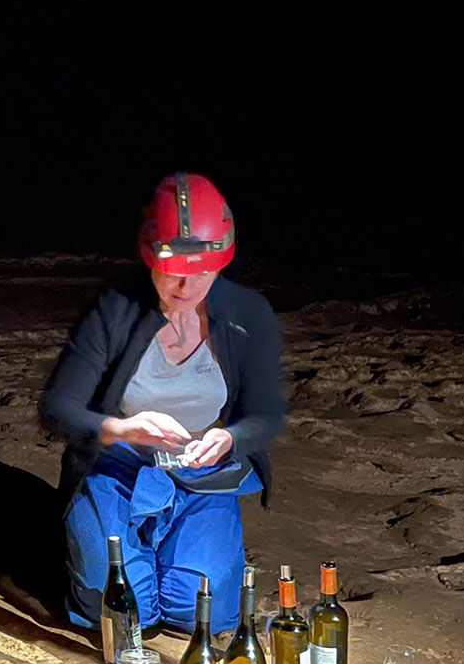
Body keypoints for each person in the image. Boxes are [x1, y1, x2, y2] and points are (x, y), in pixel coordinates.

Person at [39, 173, 286, 635]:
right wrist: (119, 428)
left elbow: (267, 413)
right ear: (149, 256)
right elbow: (56, 407)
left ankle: (177, 544)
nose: (187, 286)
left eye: (204, 272)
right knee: (120, 611)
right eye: (174, 271)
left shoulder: (247, 315)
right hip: (119, 464)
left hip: (203, 471)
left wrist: (230, 437)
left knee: (199, 613)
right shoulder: (114, 310)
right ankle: (95, 540)